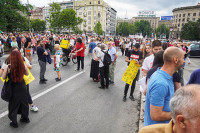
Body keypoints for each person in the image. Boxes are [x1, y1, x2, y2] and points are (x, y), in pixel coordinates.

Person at [144, 47, 185, 126]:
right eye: (183, 58)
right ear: (176, 60)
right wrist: (181, 115)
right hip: (158, 130)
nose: (184, 61)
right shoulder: (160, 83)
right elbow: (156, 115)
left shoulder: (163, 75)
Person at [2, 50, 29, 128]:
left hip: (13, 87)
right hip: (22, 86)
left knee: (13, 105)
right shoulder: (23, 65)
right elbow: (27, 74)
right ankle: (25, 118)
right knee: (24, 102)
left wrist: (7, 72)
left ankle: (14, 122)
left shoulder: (8, 66)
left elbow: (3, 77)